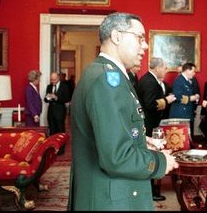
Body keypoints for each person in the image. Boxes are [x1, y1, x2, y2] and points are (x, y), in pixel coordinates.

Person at [68, 12, 179, 211]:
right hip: (111, 199)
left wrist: (141, 141)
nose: (145, 46)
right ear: (117, 36)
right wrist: (161, 162)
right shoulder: (106, 80)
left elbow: (110, 131)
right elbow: (116, 158)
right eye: (140, 38)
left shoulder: (107, 73)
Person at [136, 57, 176, 201]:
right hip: (148, 125)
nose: (166, 71)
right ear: (158, 68)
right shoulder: (149, 82)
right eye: (165, 68)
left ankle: (151, 189)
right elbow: (150, 104)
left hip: (149, 124)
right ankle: (150, 191)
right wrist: (167, 100)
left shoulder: (150, 80)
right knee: (150, 157)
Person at [44, 72, 70, 136]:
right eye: (51, 79)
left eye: (54, 79)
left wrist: (56, 98)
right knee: (52, 131)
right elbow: (45, 100)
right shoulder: (49, 86)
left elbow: (67, 99)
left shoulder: (64, 86)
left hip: (60, 113)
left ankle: (61, 146)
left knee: (60, 131)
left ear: (58, 78)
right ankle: (53, 145)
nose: (52, 81)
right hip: (51, 113)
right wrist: (48, 97)